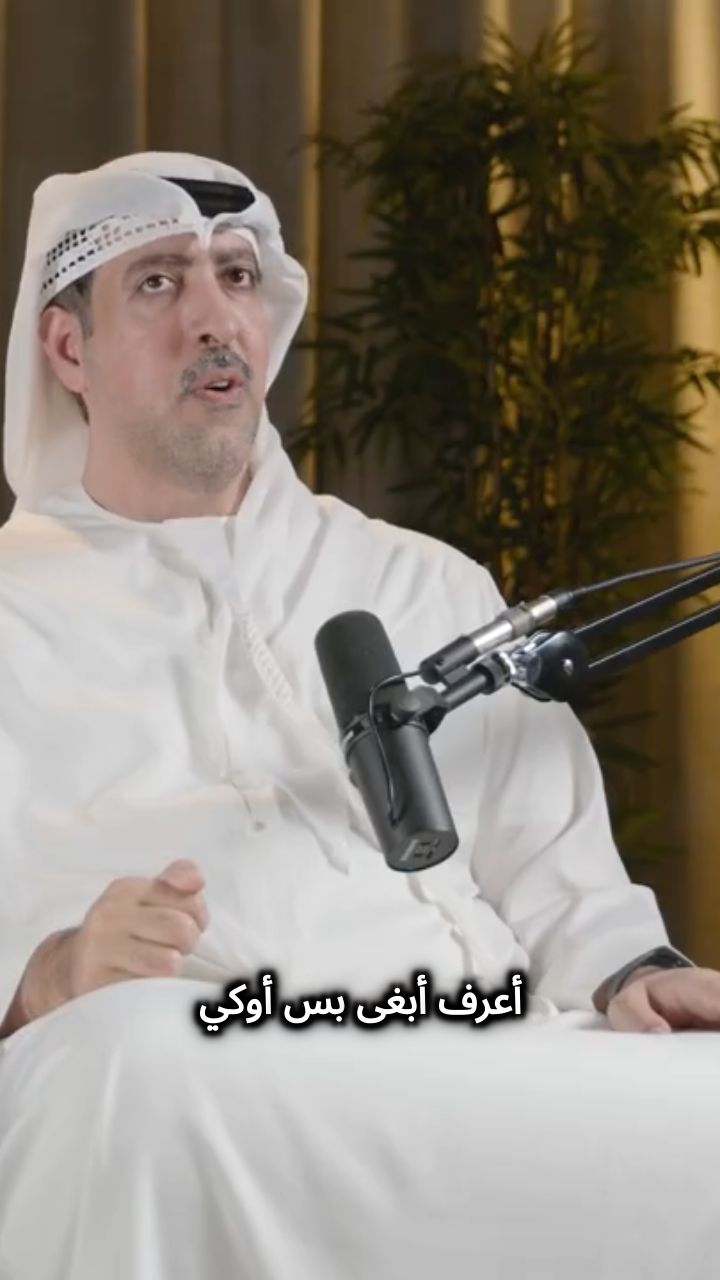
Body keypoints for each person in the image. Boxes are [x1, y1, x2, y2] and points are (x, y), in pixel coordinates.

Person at [0, 151, 718, 1280]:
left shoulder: (419, 579)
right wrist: (49, 970)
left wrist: (634, 967)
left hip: (480, 1040)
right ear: (65, 347)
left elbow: (556, 866)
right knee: (139, 1060)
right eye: (159, 281)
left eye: (238, 276)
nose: (214, 318)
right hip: (199, 1052)